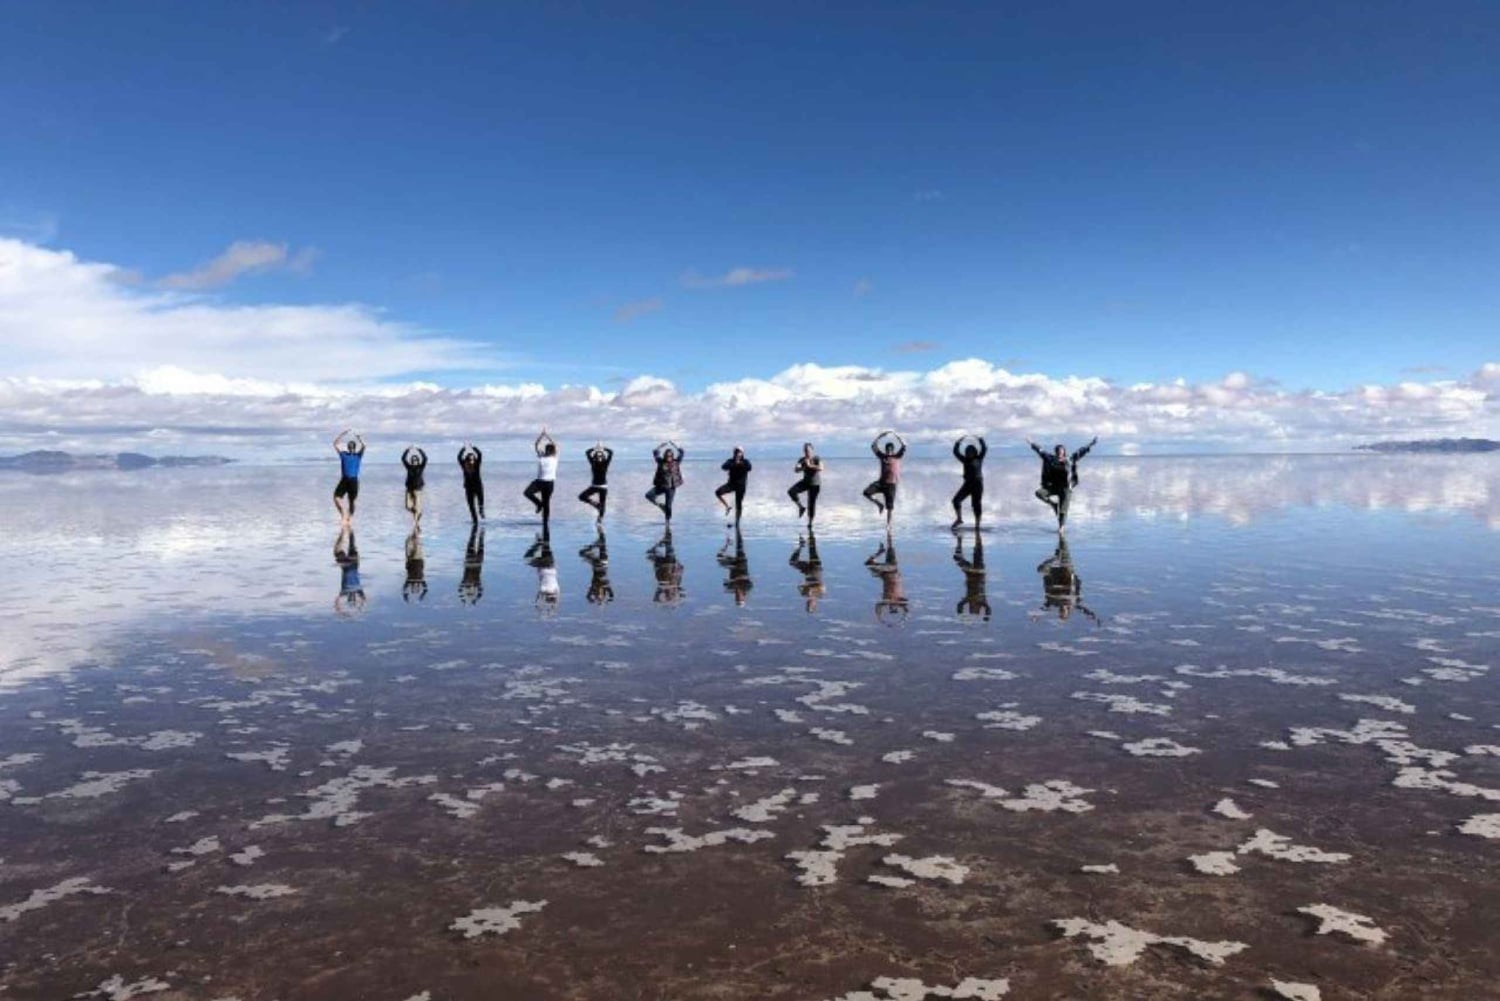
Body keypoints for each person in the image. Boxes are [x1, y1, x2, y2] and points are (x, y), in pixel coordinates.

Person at [1027, 435, 1098, 534]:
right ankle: (1053, 504)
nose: (1060, 454)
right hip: (1053, 487)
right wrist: (1031, 443)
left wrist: (1091, 444)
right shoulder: (1050, 459)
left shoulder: (1070, 460)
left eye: (1061, 452)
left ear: (1064, 452)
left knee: (1063, 510)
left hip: (1066, 488)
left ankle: (1061, 528)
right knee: (1039, 493)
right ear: (1055, 452)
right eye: (1058, 452)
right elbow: (1040, 450)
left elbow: (1081, 451)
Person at [1035, 538, 1098, 624]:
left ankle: (1055, 556)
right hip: (1066, 571)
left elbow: (1044, 607)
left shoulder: (1054, 602)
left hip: (1054, 573)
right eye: (1063, 612)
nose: (1061, 611)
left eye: (1060, 613)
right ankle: (1062, 539)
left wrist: (1037, 616)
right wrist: (1092, 616)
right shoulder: (1073, 603)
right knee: (1064, 551)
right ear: (1068, 611)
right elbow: (1083, 610)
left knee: (1040, 569)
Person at [861, 430, 906, 526]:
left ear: (893, 450)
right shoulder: (882, 456)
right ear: (886, 450)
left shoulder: (897, 456)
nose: (889, 451)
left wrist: (897, 436)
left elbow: (904, 446)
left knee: (890, 508)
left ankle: (889, 526)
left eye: (890, 450)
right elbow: (873, 446)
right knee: (866, 492)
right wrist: (880, 436)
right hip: (881, 483)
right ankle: (879, 504)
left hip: (891, 485)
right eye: (887, 450)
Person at [865, 532, 908, 625]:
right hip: (892, 569)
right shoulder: (900, 599)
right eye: (894, 607)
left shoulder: (885, 600)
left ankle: (881, 550)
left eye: (891, 607)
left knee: (868, 564)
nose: (892, 605)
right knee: (890, 547)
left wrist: (879, 616)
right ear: (897, 605)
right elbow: (906, 608)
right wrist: (904, 617)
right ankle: (889, 532)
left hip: (885, 572)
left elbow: (877, 607)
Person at [523, 429, 559, 530]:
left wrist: (547, 435)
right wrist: (541, 435)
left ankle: (545, 523)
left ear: (551, 451)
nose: (548, 451)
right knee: (527, 493)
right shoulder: (541, 456)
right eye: (547, 449)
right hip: (539, 481)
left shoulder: (555, 457)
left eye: (549, 449)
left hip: (549, 483)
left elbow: (555, 445)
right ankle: (538, 504)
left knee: (546, 503)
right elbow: (536, 445)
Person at [950, 435, 987, 530]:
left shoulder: (979, 458)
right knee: (956, 500)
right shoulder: (964, 460)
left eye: (971, 451)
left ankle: (977, 525)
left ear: (975, 452)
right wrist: (958, 442)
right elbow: (956, 452)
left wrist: (980, 439)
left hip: (978, 485)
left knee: (976, 505)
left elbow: (984, 449)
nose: (969, 453)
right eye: (967, 452)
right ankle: (959, 519)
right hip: (967, 484)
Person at [953, 532, 991, 622]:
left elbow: (960, 605)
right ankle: (978, 536)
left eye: (971, 608)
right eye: (975, 609)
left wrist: (960, 613)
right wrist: (987, 616)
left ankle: (959, 541)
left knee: (957, 558)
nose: (973, 606)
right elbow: (988, 609)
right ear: (979, 607)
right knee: (978, 553)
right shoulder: (982, 601)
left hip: (970, 574)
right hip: (979, 573)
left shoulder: (968, 599)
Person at [645, 440, 685, 522]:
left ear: (672, 456)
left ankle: (667, 523)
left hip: (671, 488)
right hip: (661, 486)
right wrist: (661, 446)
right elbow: (655, 452)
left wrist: (675, 445)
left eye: (670, 455)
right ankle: (660, 505)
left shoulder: (676, 462)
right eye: (667, 455)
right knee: (648, 495)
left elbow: (682, 452)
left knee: (669, 506)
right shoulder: (660, 462)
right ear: (665, 456)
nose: (669, 457)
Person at [332, 429, 365, 524]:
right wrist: (342, 434)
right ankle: (343, 513)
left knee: (352, 501)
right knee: (336, 498)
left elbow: (364, 446)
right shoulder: (343, 455)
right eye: (349, 447)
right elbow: (335, 444)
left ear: (354, 448)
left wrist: (359, 438)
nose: (351, 449)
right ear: (348, 447)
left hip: (353, 481)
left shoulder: (358, 456)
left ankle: (349, 519)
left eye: (352, 447)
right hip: (344, 480)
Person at [647, 527, 685, 606]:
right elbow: (678, 574)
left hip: (664, 565)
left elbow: (656, 598)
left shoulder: (667, 586)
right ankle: (666, 534)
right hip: (667, 564)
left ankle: (665, 536)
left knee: (666, 548)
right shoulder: (674, 585)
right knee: (668, 547)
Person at [789, 532, 825, 613]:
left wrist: (804, 587)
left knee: (792, 562)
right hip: (816, 569)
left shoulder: (804, 594)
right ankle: (811, 533)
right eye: (811, 605)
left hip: (807, 571)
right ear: (815, 604)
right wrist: (812, 589)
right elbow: (822, 586)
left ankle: (800, 546)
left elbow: (799, 586)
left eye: (808, 604)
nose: (809, 603)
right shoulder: (819, 595)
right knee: (812, 549)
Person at [333, 525, 365, 616]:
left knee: (351, 545)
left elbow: (364, 600)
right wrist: (343, 612)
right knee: (342, 549)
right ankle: (347, 529)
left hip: (351, 564)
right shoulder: (347, 591)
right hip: (349, 565)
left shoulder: (355, 590)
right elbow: (337, 602)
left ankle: (348, 529)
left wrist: (344, 613)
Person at [715, 447, 752, 525]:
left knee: (738, 504)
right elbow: (723, 467)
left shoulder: (745, 462)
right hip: (731, 484)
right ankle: (727, 506)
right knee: (717, 492)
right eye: (736, 452)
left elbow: (749, 468)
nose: (737, 454)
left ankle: (737, 523)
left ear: (742, 453)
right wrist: (734, 463)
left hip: (741, 486)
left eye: (739, 452)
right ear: (734, 453)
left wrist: (740, 463)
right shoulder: (730, 461)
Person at [787, 443, 823, 525]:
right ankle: (801, 507)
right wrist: (804, 467)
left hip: (815, 484)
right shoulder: (802, 459)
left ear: (812, 450)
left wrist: (810, 465)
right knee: (791, 491)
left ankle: (810, 523)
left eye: (808, 450)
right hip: (805, 482)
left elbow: (821, 467)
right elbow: (796, 469)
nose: (806, 452)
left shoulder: (816, 458)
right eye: (805, 450)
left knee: (811, 504)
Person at [525, 533, 560, 616]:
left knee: (546, 548)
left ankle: (541, 542)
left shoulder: (556, 589)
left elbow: (558, 599)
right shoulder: (543, 589)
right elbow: (537, 601)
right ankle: (538, 543)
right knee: (528, 559)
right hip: (542, 565)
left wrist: (553, 608)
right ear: (546, 597)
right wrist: (540, 610)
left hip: (552, 564)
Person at [717, 528, 753, 606]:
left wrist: (732, 582)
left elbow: (725, 584)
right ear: (743, 597)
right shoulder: (747, 587)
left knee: (719, 558)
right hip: (741, 563)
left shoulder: (731, 588)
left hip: (732, 566)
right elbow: (746, 578)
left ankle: (727, 543)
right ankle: (738, 530)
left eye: (737, 598)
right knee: (739, 544)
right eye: (739, 598)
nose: (737, 596)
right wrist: (736, 580)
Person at [579, 442, 613, 522]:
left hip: (603, 486)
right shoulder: (593, 463)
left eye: (600, 455)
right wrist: (596, 449)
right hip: (594, 486)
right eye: (597, 455)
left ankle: (600, 520)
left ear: (603, 456)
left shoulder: (606, 463)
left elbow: (611, 452)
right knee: (582, 496)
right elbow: (587, 452)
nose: (599, 456)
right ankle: (596, 505)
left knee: (603, 504)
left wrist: (602, 448)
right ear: (595, 456)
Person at [579, 527, 614, 605]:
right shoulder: (604, 586)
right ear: (603, 594)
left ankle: (599, 533)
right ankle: (600, 530)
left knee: (582, 552)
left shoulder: (595, 587)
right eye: (599, 595)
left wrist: (593, 599)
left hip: (599, 564)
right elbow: (612, 595)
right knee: (602, 544)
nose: (598, 594)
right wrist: (608, 600)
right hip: (601, 563)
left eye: (597, 595)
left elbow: (588, 596)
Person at [457, 443, 485, 523]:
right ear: (466, 460)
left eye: (473, 459)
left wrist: (473, 448)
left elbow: (479, 455)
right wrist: (464, 449)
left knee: (480, 502)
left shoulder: (477, 465)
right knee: (471, 506)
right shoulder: (464, 466)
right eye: (469, 459)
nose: (471, 461)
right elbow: (459, 457)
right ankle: (475, 520)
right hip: (469, 488)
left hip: (478, 487)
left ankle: (481, 512)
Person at [401, 445, 428, 528]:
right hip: (409, 489)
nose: (414, 461)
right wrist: (408, 449)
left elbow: (425, 458)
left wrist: (419, 449)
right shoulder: (408, 467)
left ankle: (416, 524)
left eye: (416, 460)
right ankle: (419, 513)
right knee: (408, 506)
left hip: (418, 489)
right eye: (413, 460)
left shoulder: (421, 467)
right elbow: (403, 459)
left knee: (416, 507)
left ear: (418, 461)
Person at [459, 523, 485, 605]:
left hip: (470, 560)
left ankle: (477, 528)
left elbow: (459, 589)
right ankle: (480, 530)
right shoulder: (476, 581)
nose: (469, 585)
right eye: (470, 586)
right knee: (480, 542)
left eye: (468, 586)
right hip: (478, 561)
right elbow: (480, 591)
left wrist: (462, 598)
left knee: (472, 541)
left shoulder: (465, 580)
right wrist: (475, 599)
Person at [403, 527, 428, 603]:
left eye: (414, 588)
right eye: (416, 588)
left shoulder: (411, 580)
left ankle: (414, 532)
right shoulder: (419, 580)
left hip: (415, 560)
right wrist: (422, 596)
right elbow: (425, 589)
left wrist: (406, 597)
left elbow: (405, 588)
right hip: (417, 560)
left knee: (414, 546)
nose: (415, 587)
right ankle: (415, 531)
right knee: (416, 546)